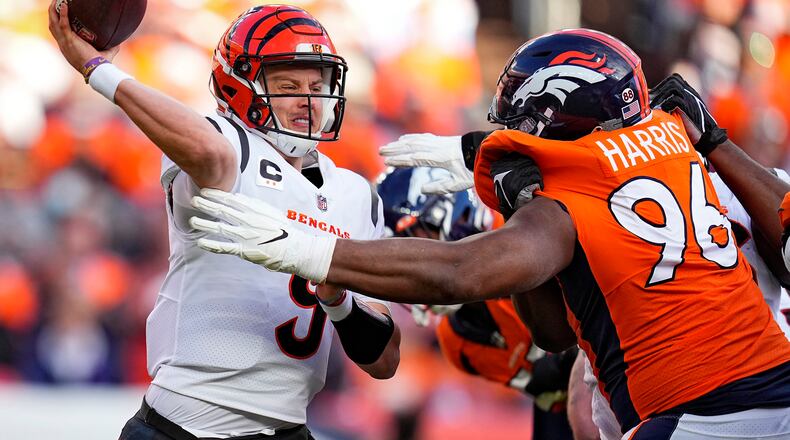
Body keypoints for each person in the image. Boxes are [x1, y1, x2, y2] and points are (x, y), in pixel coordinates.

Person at [188, 29, 790, 438]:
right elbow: (553, 335)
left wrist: (312, 250)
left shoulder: (566, 196)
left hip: (704, 410)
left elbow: (465, 271)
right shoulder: (674, 141)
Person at [48, 3, 401, 439]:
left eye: (318, 84)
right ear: (239, 87)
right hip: (186, 425)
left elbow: (384, 362)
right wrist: (98, 70)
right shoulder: (225, 144)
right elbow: (212, 153)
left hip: (288, 427)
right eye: (289, 85)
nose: (308, 100)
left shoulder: (354, 194)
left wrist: (339, 301)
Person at [377, 166, 575, 439]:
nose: (412, 268)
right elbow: (549, 388)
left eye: (414, 246)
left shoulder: (523, 234)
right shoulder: (459, 339)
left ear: (451, 215)